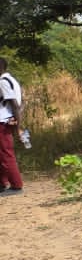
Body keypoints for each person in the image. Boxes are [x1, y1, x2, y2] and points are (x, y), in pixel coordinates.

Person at [0, 58, 24, 195]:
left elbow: (15, 105)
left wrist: (18, 127)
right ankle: (2, 184)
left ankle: (16, 185)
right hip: (6, 120)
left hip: (3, 122)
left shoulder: (2, 82)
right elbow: (22, 103)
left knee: (6, 155)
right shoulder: (12, 80)